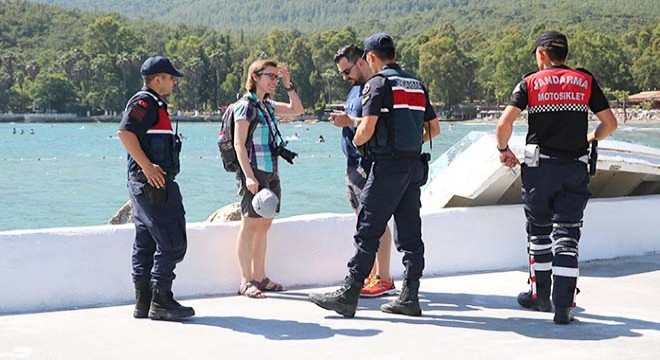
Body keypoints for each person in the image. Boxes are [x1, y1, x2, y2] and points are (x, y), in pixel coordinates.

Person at [309, 33, 440, 317]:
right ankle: (410, 295)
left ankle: (349, 292)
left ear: (370, 58)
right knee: (410, 233)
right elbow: (434, 129)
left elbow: (366, 129)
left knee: (367, 228)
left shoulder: (378, 84)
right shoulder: (417, 84)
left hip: (386, 167)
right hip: (413, 166)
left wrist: (357, 141)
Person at [495, 30, 617, 324]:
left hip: (540, 170)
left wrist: (503, 149)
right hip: (574, 168)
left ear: (541, 55)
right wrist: (590, 137)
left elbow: (504, 124)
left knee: (539, 233)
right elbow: (610, 124)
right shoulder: (585, 81)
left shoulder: (529, 83)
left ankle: (540, 297)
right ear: (564, 54)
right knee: (568, 234)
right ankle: (564, 307)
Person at [117, 55, 195, 321]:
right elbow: (125, 133)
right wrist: (148, 167)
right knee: (172, 242)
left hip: (147, 184)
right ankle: (161, 301)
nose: (174, 81)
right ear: (157, 79)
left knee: (146, 242)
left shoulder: (155, 104)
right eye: (171, 77)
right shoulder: (144, 101)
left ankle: (144, 303)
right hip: (152, 184)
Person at [328, 44, 395, 298]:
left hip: (368, 164)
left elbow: (373, 126)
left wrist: (348, 121)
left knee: (376, 220)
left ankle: (384, 277)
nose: (345, 77)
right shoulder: (355, 90)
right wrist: (344, 121)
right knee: (363, 219)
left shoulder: (375, 88)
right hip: (352, 165)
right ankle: (372, 272)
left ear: (362, 62)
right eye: (341, 73)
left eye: (347, 71)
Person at [234, 59, 304, 298]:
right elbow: (238, 144)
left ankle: (261, 277)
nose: (274, 80)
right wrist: (249, 176)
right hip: (254, 171)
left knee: (264, 225)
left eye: (276, 77)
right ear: (255, 76)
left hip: (272, 171)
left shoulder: (268, 105)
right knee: (249, 224)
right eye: (270, 76)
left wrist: (288, 84)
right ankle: (246, 280)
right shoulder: (245, 106)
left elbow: (298, 110)